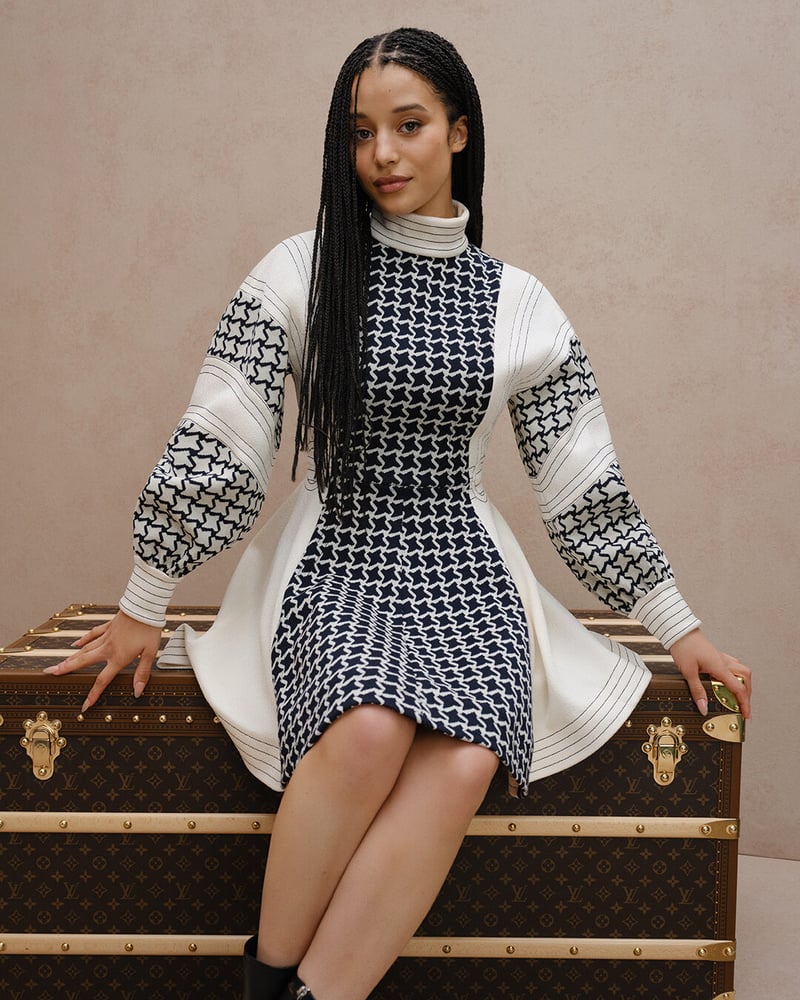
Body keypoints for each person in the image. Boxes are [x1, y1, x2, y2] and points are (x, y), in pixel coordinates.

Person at [45, 27, 752, 1000]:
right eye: (360, 131)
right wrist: (144, 596)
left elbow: (583, 486)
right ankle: (266, 982)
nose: (381, 153)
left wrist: (678, 626)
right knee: (370, 725)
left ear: (458, 131)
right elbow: (224, 437)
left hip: (469, 568)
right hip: (336, 550)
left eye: (408, 125)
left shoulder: (520, 304)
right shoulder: (300, 271)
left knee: (467, 759)